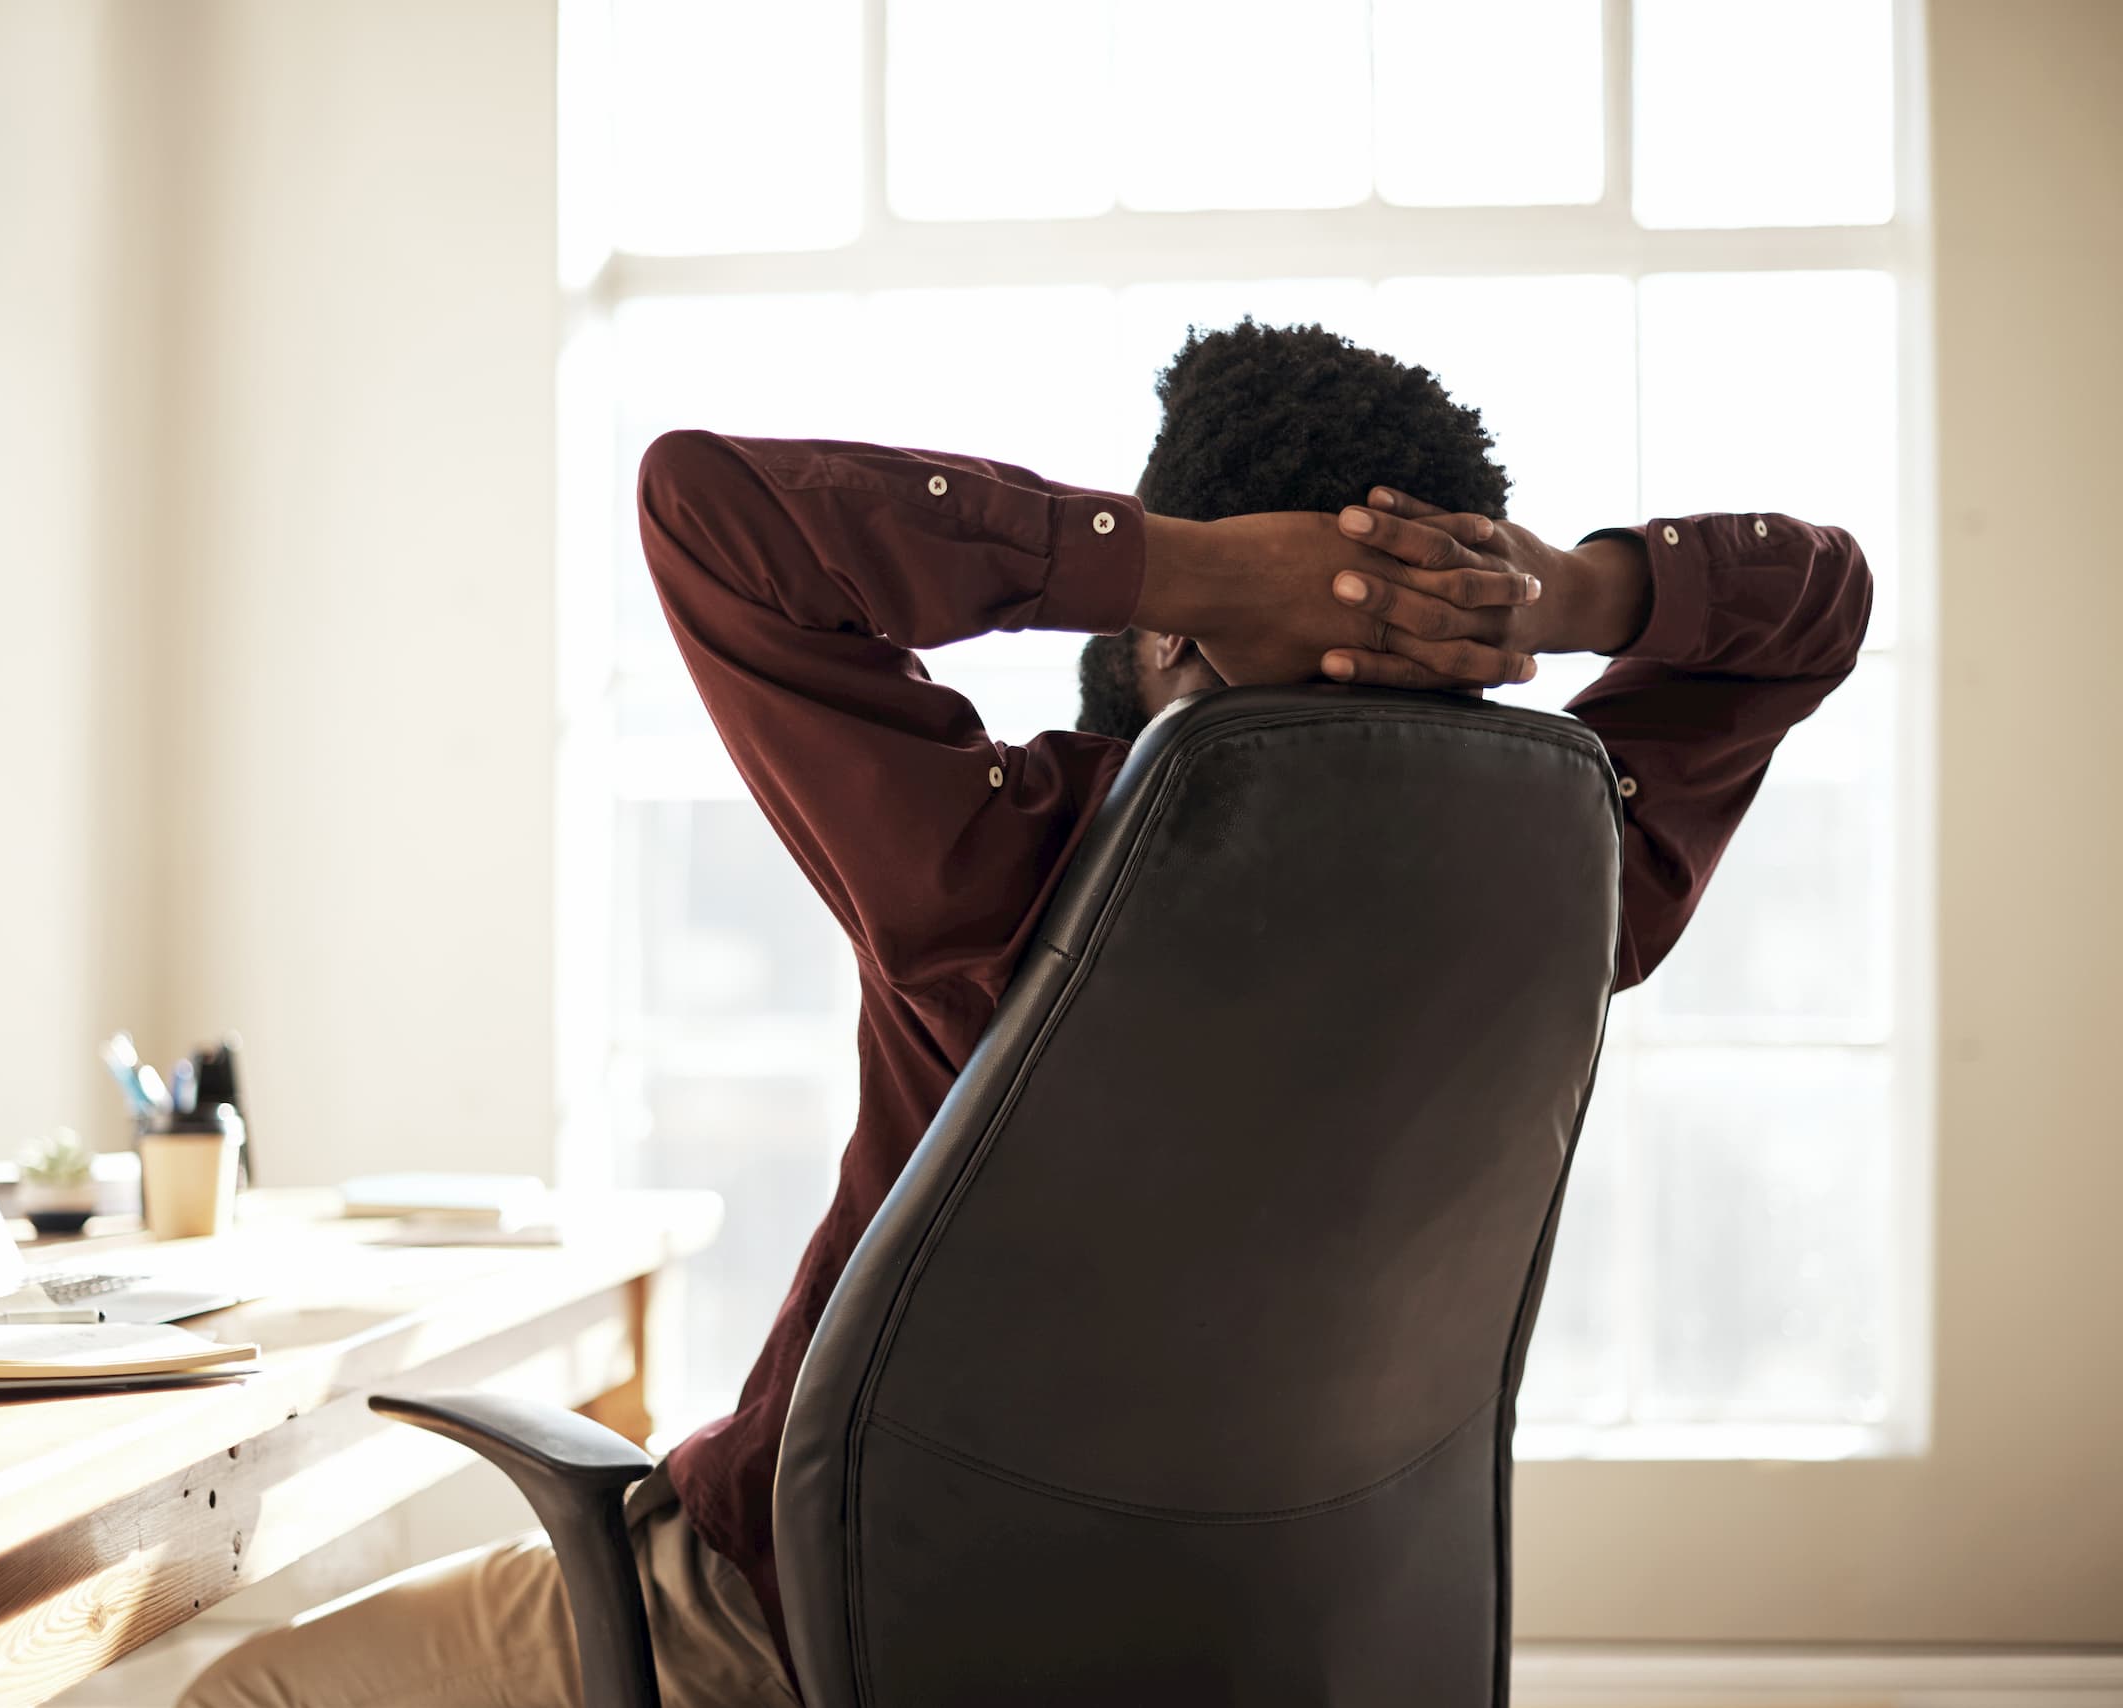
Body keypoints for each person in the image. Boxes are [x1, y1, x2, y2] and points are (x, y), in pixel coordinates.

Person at [183, 320, 1873, 1708]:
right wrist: (1579, 596)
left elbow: (712, 509)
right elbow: (1822, 601)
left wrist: (1181, 567)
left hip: (819, 1628)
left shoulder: (1015, 857)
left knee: (231, 1695)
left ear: (1166, 643)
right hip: (1262, 1641)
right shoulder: (1573, 878)